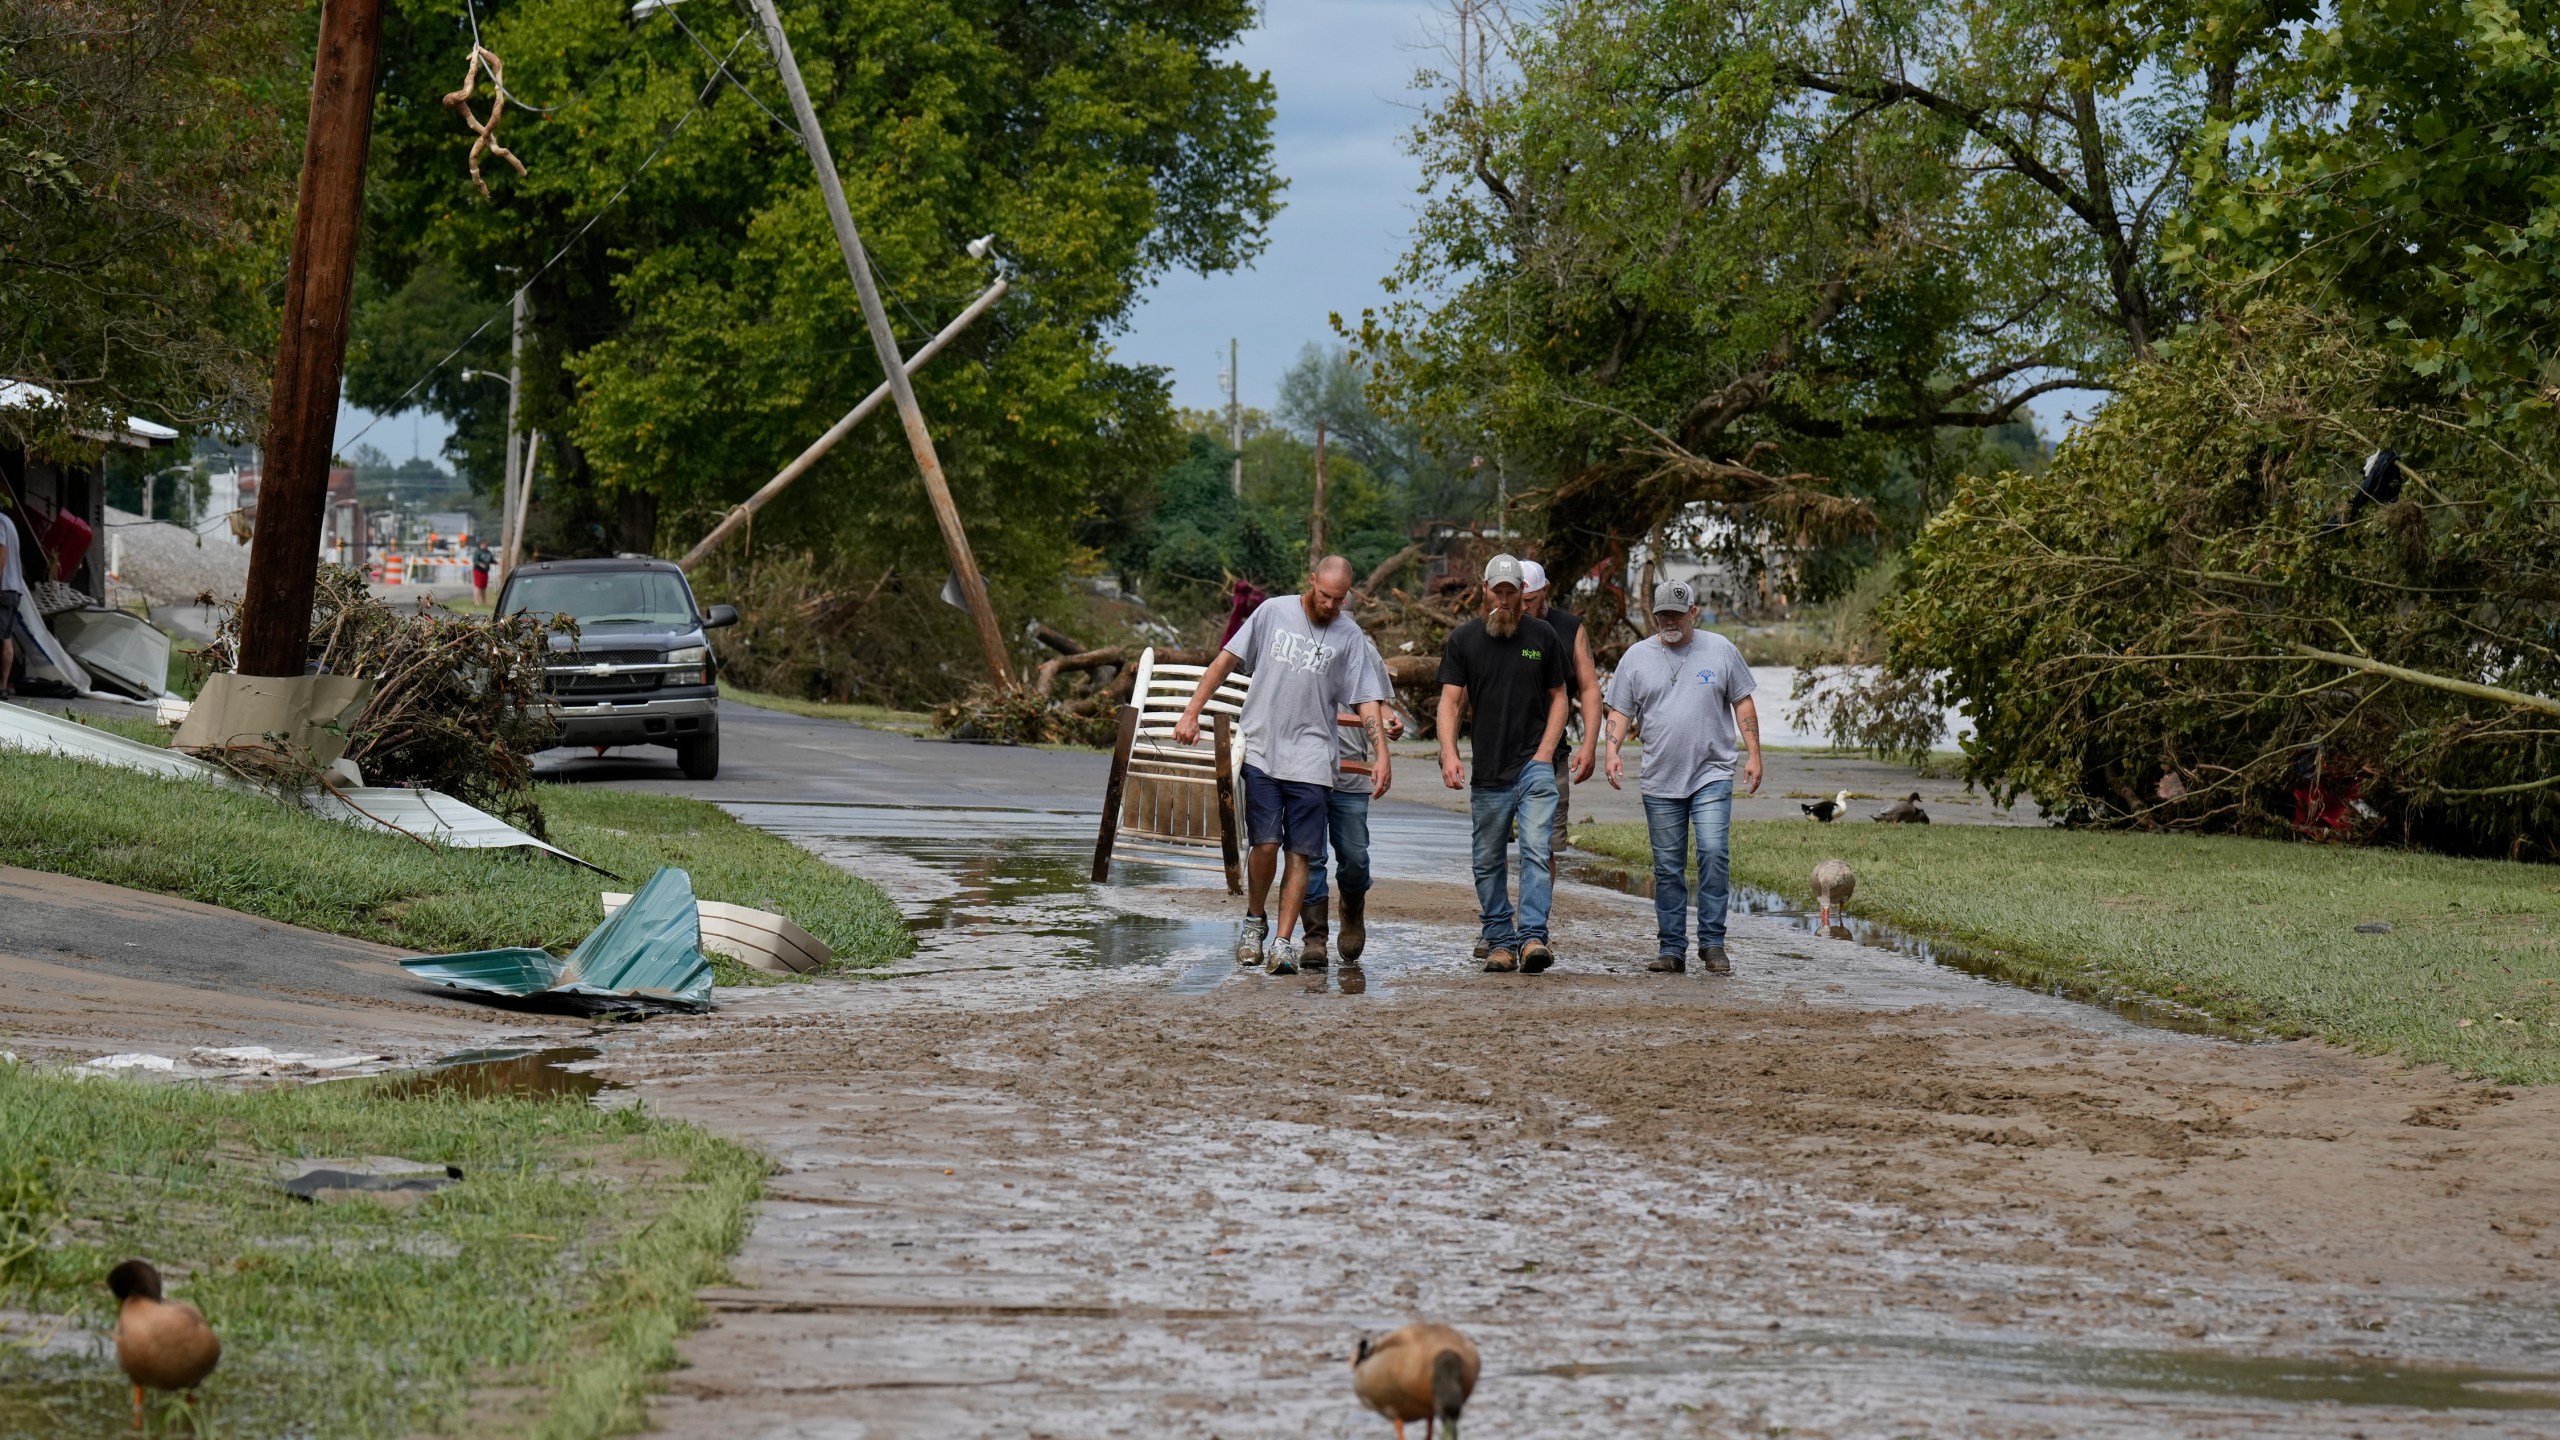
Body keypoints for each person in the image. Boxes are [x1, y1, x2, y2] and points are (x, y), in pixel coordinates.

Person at [1173, 556, 1393, 976]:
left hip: (1312, 756)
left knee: (1301, 853)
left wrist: (1381, 752)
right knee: (1267, 845)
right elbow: (1225, 661)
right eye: (1326, 596)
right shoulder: (1273, 611)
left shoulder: (1350, 635)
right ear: (1312, 582)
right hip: (1263, 748)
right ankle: (1255, 920)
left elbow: (1367, 699)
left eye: (1340, 600)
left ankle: (1283, 942)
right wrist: (1191, 712)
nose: (1331, 606)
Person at [1603, 579, 1763, 976]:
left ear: (1693, 612)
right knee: (1668, 867)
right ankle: (1672, 949)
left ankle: (1713, 944)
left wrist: (1755, 754)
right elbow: (1620, 711)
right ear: (1654, 616)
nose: (1670, 620)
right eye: (1663, 615)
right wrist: (1611, 750)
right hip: (1660, 778)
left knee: (1712, 853)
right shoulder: (1636, 658)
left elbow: (1743, 700)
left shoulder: (1721, 649)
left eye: (1677, 613)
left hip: (1712, 771)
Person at [1437, 554, 1568, 974]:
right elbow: (1451, 701)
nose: (1506, 600)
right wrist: (1450, 751)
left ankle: (1531, 938)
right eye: (1499, 591)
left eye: (1513, 592)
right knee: (1487, 859)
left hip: (1533, 764)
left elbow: (1560, 697)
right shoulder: (1464, 640)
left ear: (1523, 594)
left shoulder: (1542, 635)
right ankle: (1498, 939)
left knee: (1534, 849)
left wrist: (1546, 752)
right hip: (1489, 770)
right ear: (1485, 589)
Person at [1301, 634, 1401, 970]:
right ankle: (1314, 938)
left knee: (1355, 858)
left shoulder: (1364, 649)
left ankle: (1352, 908)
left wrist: (1390, 723)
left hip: (1353, 772)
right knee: (1310, 856)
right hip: (1307, 770)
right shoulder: (1299, 643)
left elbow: (1380, 703)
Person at [1520, 558, 1601, 855]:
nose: (1524, 606)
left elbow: (1590, 688)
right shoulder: (1499, 625)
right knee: (1493, 848)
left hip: (1552, 753)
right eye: (1519, 598)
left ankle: (1540, 904)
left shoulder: (1569, 628)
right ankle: (1499, 904)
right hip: (1500, 756)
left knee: (1544, 847)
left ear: (1546, 590)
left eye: (1530, 599)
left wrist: (1589, 745)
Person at [0, 499, 23, 699]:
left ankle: (2, 686)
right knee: (6, 638)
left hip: (3, 588)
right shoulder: (8, 522)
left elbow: (1, 556)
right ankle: (3, 685)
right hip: (15, 589)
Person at [471, 539, 497, 605]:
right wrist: (480, 564)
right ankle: (476, 601)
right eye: (485, 544)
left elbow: (491, 560)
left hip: (485, 571)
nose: (486, 546)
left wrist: (497, 562)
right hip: (478, 570)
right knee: (478, 586)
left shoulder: (488, 552)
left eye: (487, 544)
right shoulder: (477, 552)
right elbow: (475, 561)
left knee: (484, 587)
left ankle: (484, 601)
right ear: (481, 544)